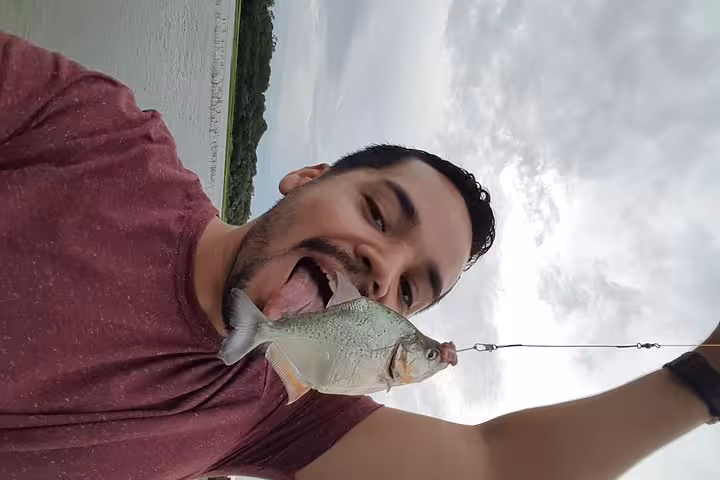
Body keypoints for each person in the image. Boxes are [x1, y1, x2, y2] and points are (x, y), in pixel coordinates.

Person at [0, 31, 718, 480]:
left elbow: (498, 468)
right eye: (378, 212)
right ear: (308, 177)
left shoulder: (272, 417)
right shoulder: (97, 133)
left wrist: (706, 379)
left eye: (408, 293)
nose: (383, 269)